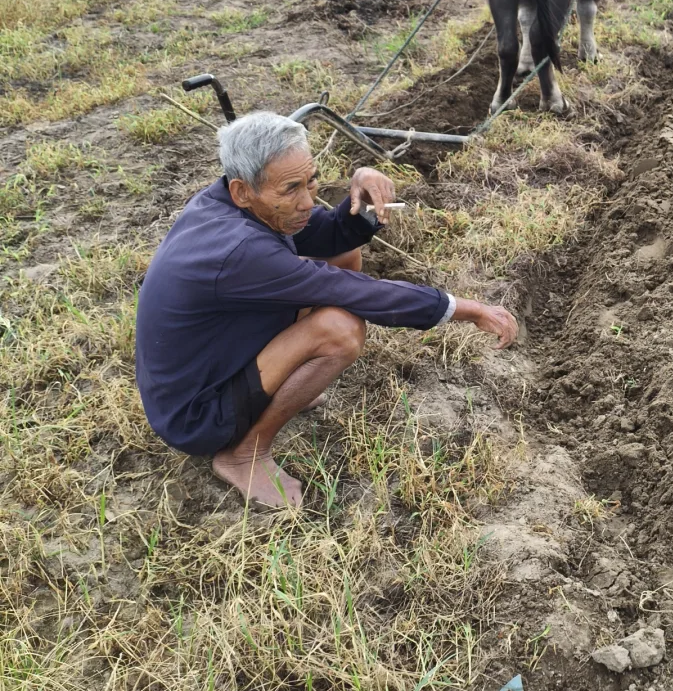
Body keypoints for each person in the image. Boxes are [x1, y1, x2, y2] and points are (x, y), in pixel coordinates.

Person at [135, 111, 517, 511]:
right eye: (291, 189)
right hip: (198, 415)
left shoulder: (231, 204)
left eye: (311, 182)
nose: (307, 201)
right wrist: (467, 309)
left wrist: (363, 200)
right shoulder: (239, 250)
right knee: (340, 330)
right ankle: (244, 453)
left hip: (216, 358)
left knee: (343, 254)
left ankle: (283, 390)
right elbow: (355, 292)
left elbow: (330, 235)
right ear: (242, 190)